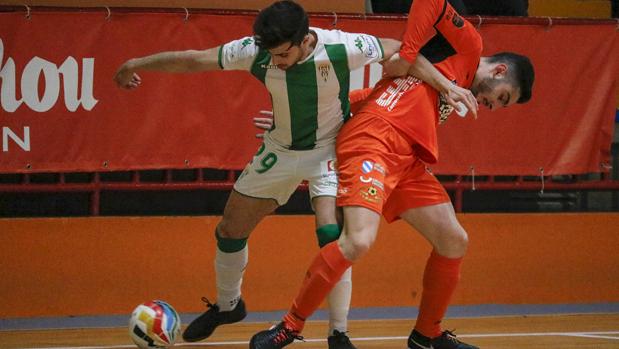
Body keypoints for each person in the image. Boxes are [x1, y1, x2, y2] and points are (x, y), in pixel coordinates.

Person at [113, 1, 471, 348]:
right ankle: (228, 306)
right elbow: (194, 59)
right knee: (229, 229)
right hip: (279, 151)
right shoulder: (256, 51)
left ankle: (338, 333)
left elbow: (401, 52)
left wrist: (447, 85)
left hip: (331, 149)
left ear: (306, 41)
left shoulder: (342, 46)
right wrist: (134, 63)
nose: (278, 63)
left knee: (335, 235)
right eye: (273, 56)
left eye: (284, 55)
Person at [248, 0, 535, 348]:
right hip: (374, 141)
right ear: (500, 70)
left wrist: (303, 116)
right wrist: (409, 52)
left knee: (454, 240)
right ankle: (290, 326)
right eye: (502, 98)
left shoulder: (441, 79)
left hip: (405, 160)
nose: (493, 106)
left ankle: (427, 334)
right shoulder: (470, 47)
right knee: (358, 241)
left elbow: (372, 95)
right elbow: (429, 2)